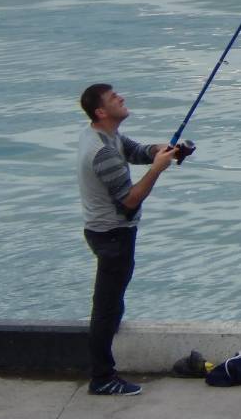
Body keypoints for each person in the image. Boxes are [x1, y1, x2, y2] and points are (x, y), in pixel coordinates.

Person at [78, 84, 190, 396]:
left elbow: (136, 151)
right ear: (101, 111)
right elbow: (128, 200)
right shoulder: (101, 152)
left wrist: (164, 151)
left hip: (109, 232)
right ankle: (102, 377)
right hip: (112, 235)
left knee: (111, 305)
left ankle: (104, 365)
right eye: (114, 98)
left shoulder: (105, 136)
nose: (122, 98)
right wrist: (158, 170)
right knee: (106, 308)